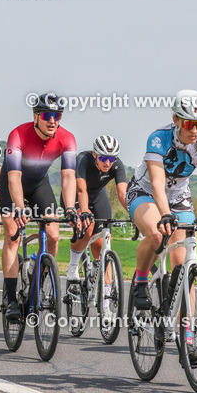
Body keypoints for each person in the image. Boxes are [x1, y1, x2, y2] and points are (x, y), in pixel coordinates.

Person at [126, 89, 197, 366]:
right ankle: (140, 280)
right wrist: (164, 214)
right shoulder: (159, 138)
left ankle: (186, 338)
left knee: (185, 266)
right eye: (189, 123)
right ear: (176, 119)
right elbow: (158, 182)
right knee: (155, 232)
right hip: (146, 192)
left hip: (180, 198)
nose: (195, 130)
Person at [0, 92, 78, 322]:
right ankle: (11, 298)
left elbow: (68, 178)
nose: (52, 120)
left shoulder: (67, 138)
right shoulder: (18, 135)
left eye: (57, 115)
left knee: (53, 235)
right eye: (47, 115)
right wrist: (18, 207)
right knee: (13, 234)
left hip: (39, 184)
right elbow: (14, 177)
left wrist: (71, 209)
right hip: (12, 182)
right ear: (36, 116)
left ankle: (40, 277)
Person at [67, 135, 129, 316]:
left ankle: (106, 305)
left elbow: (122, 192)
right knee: (88, 227)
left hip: (99, 197)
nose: (108, 163)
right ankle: (72, 266)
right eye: (103, 158)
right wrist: (84, 211)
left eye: (111, 159)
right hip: (79, 196)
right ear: (95, 154)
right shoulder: (83, 160)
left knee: (103, 246)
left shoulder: (117, 165)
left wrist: (134, 214)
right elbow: (80, 189)